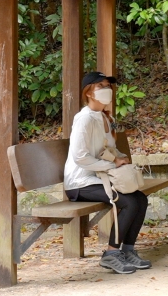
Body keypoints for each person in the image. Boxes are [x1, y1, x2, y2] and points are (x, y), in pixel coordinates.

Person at [63, 71, 151, 275]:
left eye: (108, 86)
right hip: (80, 183)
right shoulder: (83, 119)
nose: (106, 90)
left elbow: (109, 149)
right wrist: (113, 166)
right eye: (100, 86)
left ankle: (127, 251)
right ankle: (111, 254)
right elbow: (80, 157)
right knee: (129, 202)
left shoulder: (104, 117)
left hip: (98, 178)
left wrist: (121, 159)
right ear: (89, 93)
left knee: (141, 199)